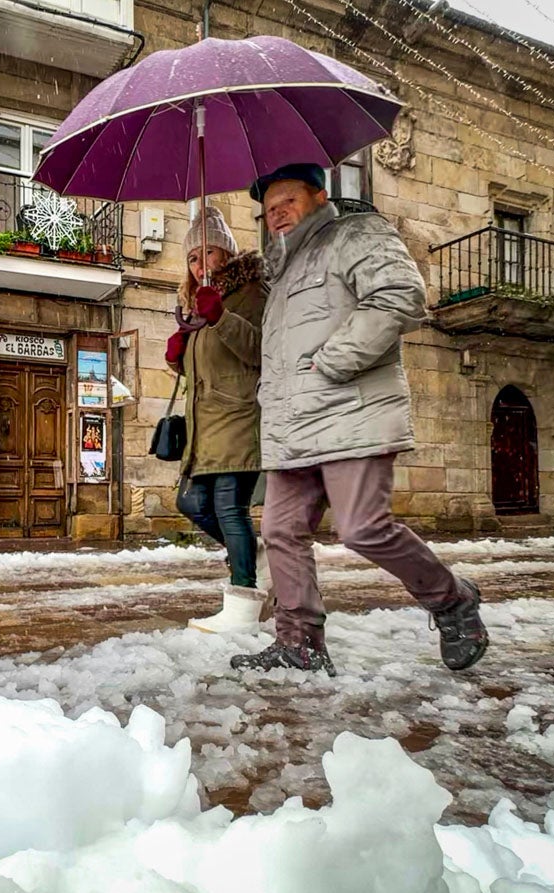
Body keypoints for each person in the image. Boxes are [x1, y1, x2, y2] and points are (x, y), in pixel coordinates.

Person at [231, 163, 488, 677]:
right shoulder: (278, 273)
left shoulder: (355, 233)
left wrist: (334, 359)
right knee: (280, 533)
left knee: (363, 529)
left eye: (288, 201)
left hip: (351, 412)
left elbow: (400, 296)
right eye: (268, 209)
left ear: (319, 196)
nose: (277, 214)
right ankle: (299, 641)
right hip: (291, 424)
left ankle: (452, 600)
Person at [165, 205, 272, 633]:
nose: (200, 264)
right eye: (193, 257)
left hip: (239, 416)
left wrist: (221, 317)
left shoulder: (253, 291)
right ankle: (258, 556)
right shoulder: (193, 306)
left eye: (209, 253)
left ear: (226, 254)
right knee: (190, 503)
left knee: (229, 508)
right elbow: (206, 366)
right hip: (204, 424)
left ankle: (242, 606)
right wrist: (178, 359)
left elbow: (259, 350)